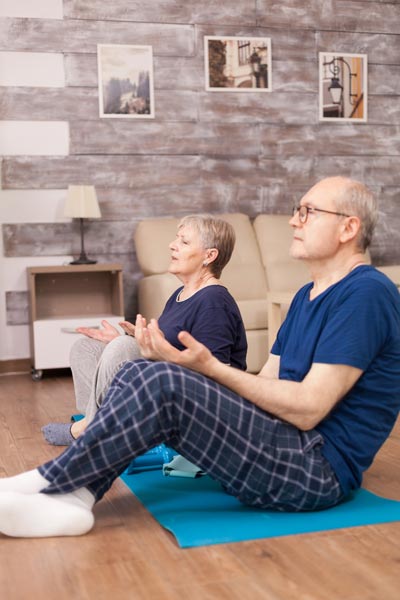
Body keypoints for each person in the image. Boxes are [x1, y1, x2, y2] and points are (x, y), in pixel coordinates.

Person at [1, 176, 400, 539]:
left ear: (349, 228)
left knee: (159, 381)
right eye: (297, 211)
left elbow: (309, 409)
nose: (294, 221)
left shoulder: (366, 294)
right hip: (281, 443)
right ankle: (75, 497)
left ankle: (46, 483)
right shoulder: (303, 296)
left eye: (308, 212)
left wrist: (206, 369)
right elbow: (267, 382)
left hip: (314, 471)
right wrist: (187, 369)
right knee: (141, 370)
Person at [41, 214, 247, 445]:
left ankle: (91, 428)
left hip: (198, 407)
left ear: (209, 255)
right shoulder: (179, 295)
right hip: (167, 382)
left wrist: (135, 347)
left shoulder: (214, 300)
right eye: (176, 239)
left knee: (122, 347)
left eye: (184, 242)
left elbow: (217, 375)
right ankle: (101, 424)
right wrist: (134, 339)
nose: (172, 244)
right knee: (86, 348)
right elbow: (169, 347)